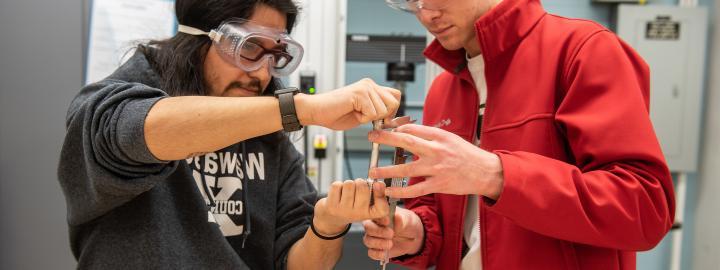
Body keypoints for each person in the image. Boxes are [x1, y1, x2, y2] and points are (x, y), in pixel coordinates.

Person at [57, 0, 398, 269]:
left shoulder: (268, 138)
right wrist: (304, 108)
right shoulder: (115, 101)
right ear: (198, 38)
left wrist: (328, 223)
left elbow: (298, 264)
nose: (262, 74)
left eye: (275, 54)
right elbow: (141, 131)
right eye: (249, 48)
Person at [362, 0, 675, 269]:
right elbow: (447, 220)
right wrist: (418, 234)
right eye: (411, 2)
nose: (425, 14)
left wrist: (496, 176)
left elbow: (645, 208)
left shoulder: (583, 50)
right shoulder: (445, 88)